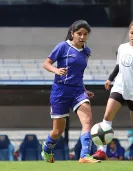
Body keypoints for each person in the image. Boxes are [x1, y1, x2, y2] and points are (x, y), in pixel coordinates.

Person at [92, 21, 133, 161]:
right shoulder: (122, 47)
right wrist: (110, 79)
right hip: (119, 87)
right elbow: (119, 65)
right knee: (107, 116)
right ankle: (102, 151)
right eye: (131, 33)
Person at [42, 20, 100, 163]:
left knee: (87, 120)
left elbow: (78, 74)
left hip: (78, 91)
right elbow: (46, 63)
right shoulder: (63, 46)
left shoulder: (86, 51)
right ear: (72, 34)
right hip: (60, 90)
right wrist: (56, 70)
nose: (82, 37)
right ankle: (47, 149)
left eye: (85, 34)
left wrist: (85, 90)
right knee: (58, 132)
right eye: (79, 33)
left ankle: (84, 156)